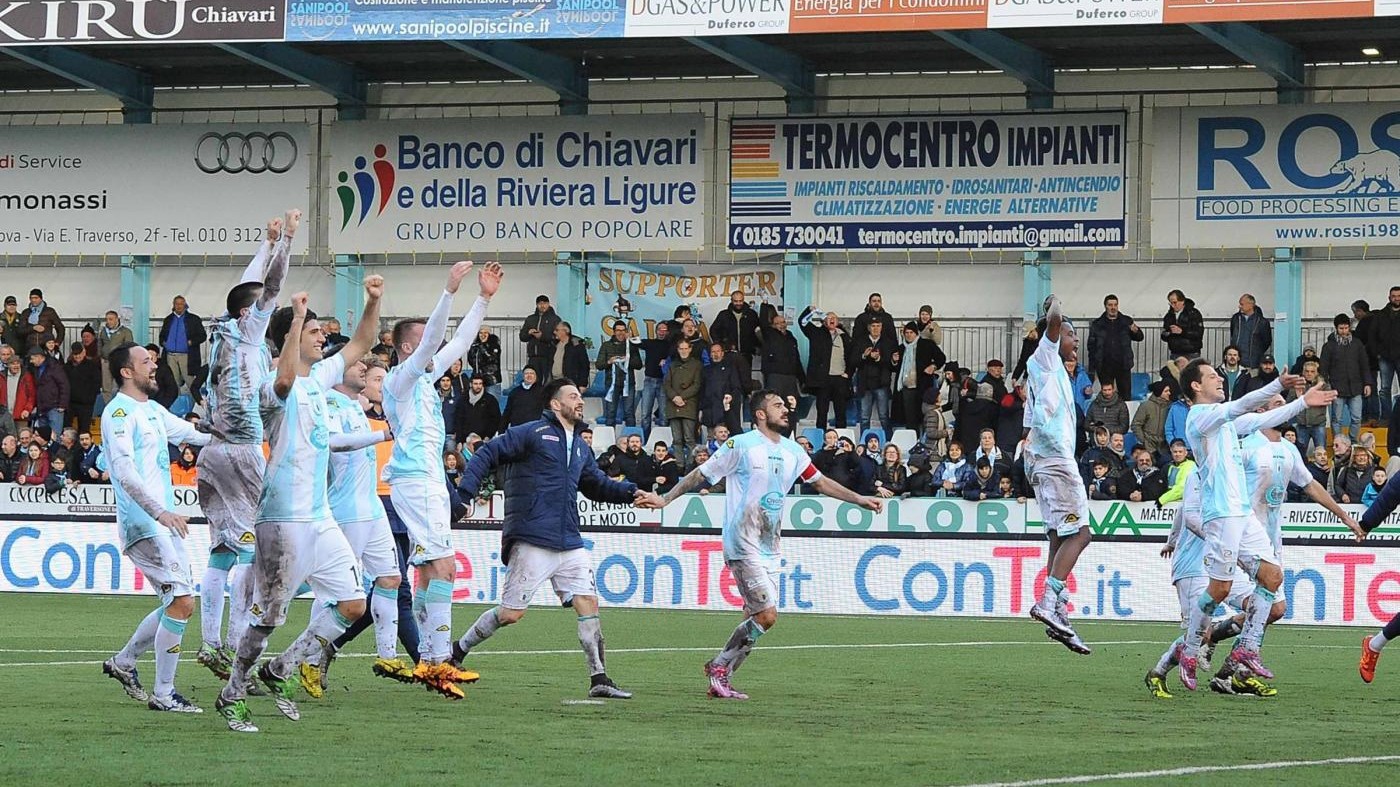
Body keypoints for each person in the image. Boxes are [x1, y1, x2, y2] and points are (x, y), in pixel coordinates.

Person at [216, 283, 381, 732]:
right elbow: (286, 380)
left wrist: (371, 301)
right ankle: (232, 693)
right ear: (291, 335)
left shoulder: (321, 378)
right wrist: (293, 319)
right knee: (268, 616)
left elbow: (363, 342)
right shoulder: (271, 380)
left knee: (352, 604)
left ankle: (281, 667)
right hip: (283, 515)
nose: (322, 337)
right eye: (314, 332)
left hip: (319, 513)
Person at [652, 389, 881, 699]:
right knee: (767, 615)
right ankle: (719, 666)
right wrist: (665, 499)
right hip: (742, 541)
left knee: (753, 616)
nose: (785, 409)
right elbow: (701, 475)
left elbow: (821, 482)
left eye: (785, 405)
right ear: (760, 414)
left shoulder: (793, 451)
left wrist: (859, 500)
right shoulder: (741, 445)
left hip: (770, 546)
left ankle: (722, 680)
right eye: (777, 405)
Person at [453, 377, 644, 699]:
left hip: (569, 539)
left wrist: (632, 493)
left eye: (580, 394)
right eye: (573, 395)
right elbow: (486, 454)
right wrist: (464, 494)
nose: (580, 400)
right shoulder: (531, 433)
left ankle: (599, 678)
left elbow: (596, 484)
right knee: (511, 614)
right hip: (532, 535)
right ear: (556, 404)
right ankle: (457, 651)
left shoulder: (580, 446)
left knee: (588, 602)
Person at [1172, 359, 1333, 690]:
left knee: (1272, 577)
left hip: (1241, 512)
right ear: (1195, 387)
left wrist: (1302, 403)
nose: (1219, 379)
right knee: (1220, 589)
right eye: (1212, 376)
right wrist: (1277, 385)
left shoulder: (1226, 422)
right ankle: (1189, 650)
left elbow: (1264, 418)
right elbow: (1242, 406)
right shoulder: (1200, 417)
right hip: (1221, 514)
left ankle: (1247, 648)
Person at [379, 260, 501, 698]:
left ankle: (431, 661)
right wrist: (448, 291)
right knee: (445, 564)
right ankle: (439, 662)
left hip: (420, 481)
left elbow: (460, 341)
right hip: (418, 480)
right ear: (409, 349)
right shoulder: (402, 378)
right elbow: (435, 338)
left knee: (431, 569)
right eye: (426, 346)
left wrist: (483, 298)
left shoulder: (423, 378)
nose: (437, 351)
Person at [194, 214, 294, 680]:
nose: (265, 312)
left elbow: (245, 288)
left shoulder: (223, 330)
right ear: (248, 315)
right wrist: (287, 242)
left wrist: (265, 242)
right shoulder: (251, 330)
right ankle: (235, 648)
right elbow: (265, 290)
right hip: (241, 448)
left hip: (211, 451)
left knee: (221, 549)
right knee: (255, 549)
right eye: (259, 310)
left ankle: (211, 642)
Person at [99, 342, 211, 714]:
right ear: (126, 372)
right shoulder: (118, 414)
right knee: (181, 602)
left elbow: (193, 434)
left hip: (162, 523)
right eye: (145, 361)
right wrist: (160, 512)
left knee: (176, 602)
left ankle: (125, 662)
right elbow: (125, 472)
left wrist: (241, 435)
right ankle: (164, 693)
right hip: (145, 523)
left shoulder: (152, 411)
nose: (154, 364)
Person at [297, 347, 411, 694]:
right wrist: (382, 435)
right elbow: (333, 444)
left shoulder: (355, 405)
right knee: (336, 590)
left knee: (391, 578)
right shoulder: (329, 404)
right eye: (358, 364)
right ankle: (308, 657)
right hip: (346, 509)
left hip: (371, 506)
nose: (364, 368)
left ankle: (387, 655)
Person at [1023, 296, 1092, 654]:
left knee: (1057, 534)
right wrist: (1055, 305)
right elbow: (1051, 319)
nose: (1075, 340)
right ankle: (1048, 601)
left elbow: (1028, 424)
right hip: (1054, 459)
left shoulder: (1051, 377)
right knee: (1081, 533)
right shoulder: (1045, 357)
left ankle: (1059, 610)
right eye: (1070, 334)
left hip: (1040, 457)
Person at [799, 307, 852, 429]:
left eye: (834, 318)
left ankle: (841, 439)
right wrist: (810, 311)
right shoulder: (816, 333)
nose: (831, 320)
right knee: (822, 413)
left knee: (841, 413)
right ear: (823, 321)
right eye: (828, 318)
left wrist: (848, 373)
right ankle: (821, 439)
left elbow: (851, 357)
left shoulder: (845, 336)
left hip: (840, 379)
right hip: (823, 380)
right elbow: (802, 322)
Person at [1321, 313, 1370, 442]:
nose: (1344, 331)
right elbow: (1323, 368)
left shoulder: (1357, 344)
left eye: (1346, 328)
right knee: (1336, 419)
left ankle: (1353, 443)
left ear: (1349, 327)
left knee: (1357, 418)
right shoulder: (1328, 346)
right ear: (1336, 328)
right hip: (1336, 389)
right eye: (1341, 328)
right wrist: (1326, 386)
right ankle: (1339, 444)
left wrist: (1367, 384)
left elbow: (1364, 365)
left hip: (1356, 387)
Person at [1086, 294, 1144, 400]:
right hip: (1104, 365)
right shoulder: (1097, 324)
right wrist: (1093, 367)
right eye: (1110, 305)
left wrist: (1136, 331)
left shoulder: (1126, 321)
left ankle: (1125, 415)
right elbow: (1091, 346)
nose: (1113, 307)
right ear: (1105, 306)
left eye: (1115, 305)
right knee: (1107, 395)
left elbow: (1140, 337)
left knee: (1125, 394)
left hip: (1123, 364)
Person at [892, 321, 944, 432]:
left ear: (916, 333)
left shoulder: (927, 344)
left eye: (911, 332)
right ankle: (913, 441)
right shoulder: (901, 348)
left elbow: (941, 358)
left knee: (925, 417)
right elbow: (894, 368)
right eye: (906, 332)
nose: (909, 335)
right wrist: (894, 361)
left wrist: (933, 366)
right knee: (910, 419)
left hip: (923, 387)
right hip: (907, 388)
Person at [664, 339, 703, 463]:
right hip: (673, 405)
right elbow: (666, 384)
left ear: (690, 349)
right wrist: (674, 397)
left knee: (689, 439)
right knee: (676, 440)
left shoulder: (697, 365)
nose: (684, 351)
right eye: (681, 348)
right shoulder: (672, 365)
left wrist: (682, 397)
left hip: (688, 406)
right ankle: (679, 465)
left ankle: (691, 465)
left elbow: (697, 385)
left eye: (686, 348)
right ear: (678, 349)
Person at [757, 304, 804, 405]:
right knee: (774, 406)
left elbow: (797, 358)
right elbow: (763, 322)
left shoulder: (791, 338)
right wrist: (764, 303)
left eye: (783, 322)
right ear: (773, 325)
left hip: (791, 377)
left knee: (791, 406)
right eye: (777, 323)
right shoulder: (769, 335)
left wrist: (802, 379)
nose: (781, 325)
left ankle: (791, 421)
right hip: (775, 376)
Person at [158, 295, 206, 393]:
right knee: (173, 382)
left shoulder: (194, 319)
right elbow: (162, 335)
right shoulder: (168, 319)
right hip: (170, 355)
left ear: (185, 305)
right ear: (173, 305)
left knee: (190, 381)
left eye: (181, 304)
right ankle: (176, 405)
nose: (179, 306)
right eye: (177, 304)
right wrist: (164, 343)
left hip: (187, 356)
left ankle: (197, 402)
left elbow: (202, 336)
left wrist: (191, 342)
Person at [709, 290, 761, 377]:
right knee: (729, 379)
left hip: (746, 354)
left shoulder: (752, 314)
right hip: (729, 354)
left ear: (743, 300)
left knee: (746, 380)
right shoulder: (724, 315)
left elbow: (757, 331)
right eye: (736, 301)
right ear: (731, 301)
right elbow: (713, 330)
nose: (738, 303)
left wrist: (756, 347)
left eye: (740, 301)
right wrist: (721, 345)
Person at [701, 341, 745, 437]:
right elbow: (702, 392)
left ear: (722, 353)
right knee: (712, 443)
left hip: (727, 414)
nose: (715, 354)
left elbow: (736, 387)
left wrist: (730, 399)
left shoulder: (730, 368)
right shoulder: (705, 370)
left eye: (718, 351)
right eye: (713, 352)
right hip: (710, 413)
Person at [636, 322, 672, 436]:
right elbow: (633, 342)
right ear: (656, 331)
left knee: (664, 415)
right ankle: (645, 441)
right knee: (645, 414)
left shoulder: (671, 346)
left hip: (664, 382)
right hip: (649, 381)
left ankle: (663, 441)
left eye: (664, 330)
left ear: (667, 332)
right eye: (660, 329)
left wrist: (667, 361)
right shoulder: (649, 342)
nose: (662, 332)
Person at [27, 345, 67, 438]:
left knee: (55, 437)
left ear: (38, 356)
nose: (31, 361)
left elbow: (64, 385)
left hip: (55, 407)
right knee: (42, 438)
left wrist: (62, 404)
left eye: (32, 359)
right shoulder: (35, 369)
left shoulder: (54, 366)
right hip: (42, 408)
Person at [454, 373, 501, 446]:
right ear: (471, 384)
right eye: (475, 384)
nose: (478, 386)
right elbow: (458, 420)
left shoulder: (491, 400)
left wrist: (488, 436)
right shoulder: (463, 399)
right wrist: (459, 441)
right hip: (465, 442)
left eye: (480, 383)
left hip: (484, 441)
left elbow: (495, 420)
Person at [1229, 294, 1272, 370]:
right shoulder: (1235, 318)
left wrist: (1257, 352)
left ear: (1251, 305)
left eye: (1242, 304)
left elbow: (1267, 341)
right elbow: (1233, 334)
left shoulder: (1262, 322)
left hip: (1253, 364)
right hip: (1236, 364)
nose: (1239, 306)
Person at [520, 294, 561, 374]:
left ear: (549, 304)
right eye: (540, 303)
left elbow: (558, 337)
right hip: (533, 356)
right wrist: (529, 333)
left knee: (547, 381)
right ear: (537, 305)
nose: (542, 306)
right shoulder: (530, 319)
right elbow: (522, 337)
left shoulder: (555, 319)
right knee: (534, 380)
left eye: (545, 303)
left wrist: (542, 336)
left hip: (549, 356)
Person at [1161, 289, 1204, 360]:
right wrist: (1167, 333)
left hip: (1192, 353)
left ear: (1182, 301)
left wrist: (1182, 331)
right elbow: (1164, 334)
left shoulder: (1194, 313)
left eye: (1175, 302)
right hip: (1175, 353)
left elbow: (1199, 333)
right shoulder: (1168, 316)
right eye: (1170, 303)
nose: (1173, 305)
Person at [549, 321, 591, 388]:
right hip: (555, 382)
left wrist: (583, 384)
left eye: (557, 330)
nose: (554, 332)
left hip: (571, 383)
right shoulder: (554, 344)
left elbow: (584, 366)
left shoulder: (576, 345)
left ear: (566, 331)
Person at [467, 326, 502, 397]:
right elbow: (471, 360)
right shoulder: (474, 346)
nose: (483, 335)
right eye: (480, 333)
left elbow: (491, 359)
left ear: (489, 334)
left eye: (485, 332)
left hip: (492, 380)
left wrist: (483, 348)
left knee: (492, 402)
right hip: (478, 379)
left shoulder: (495, 346)